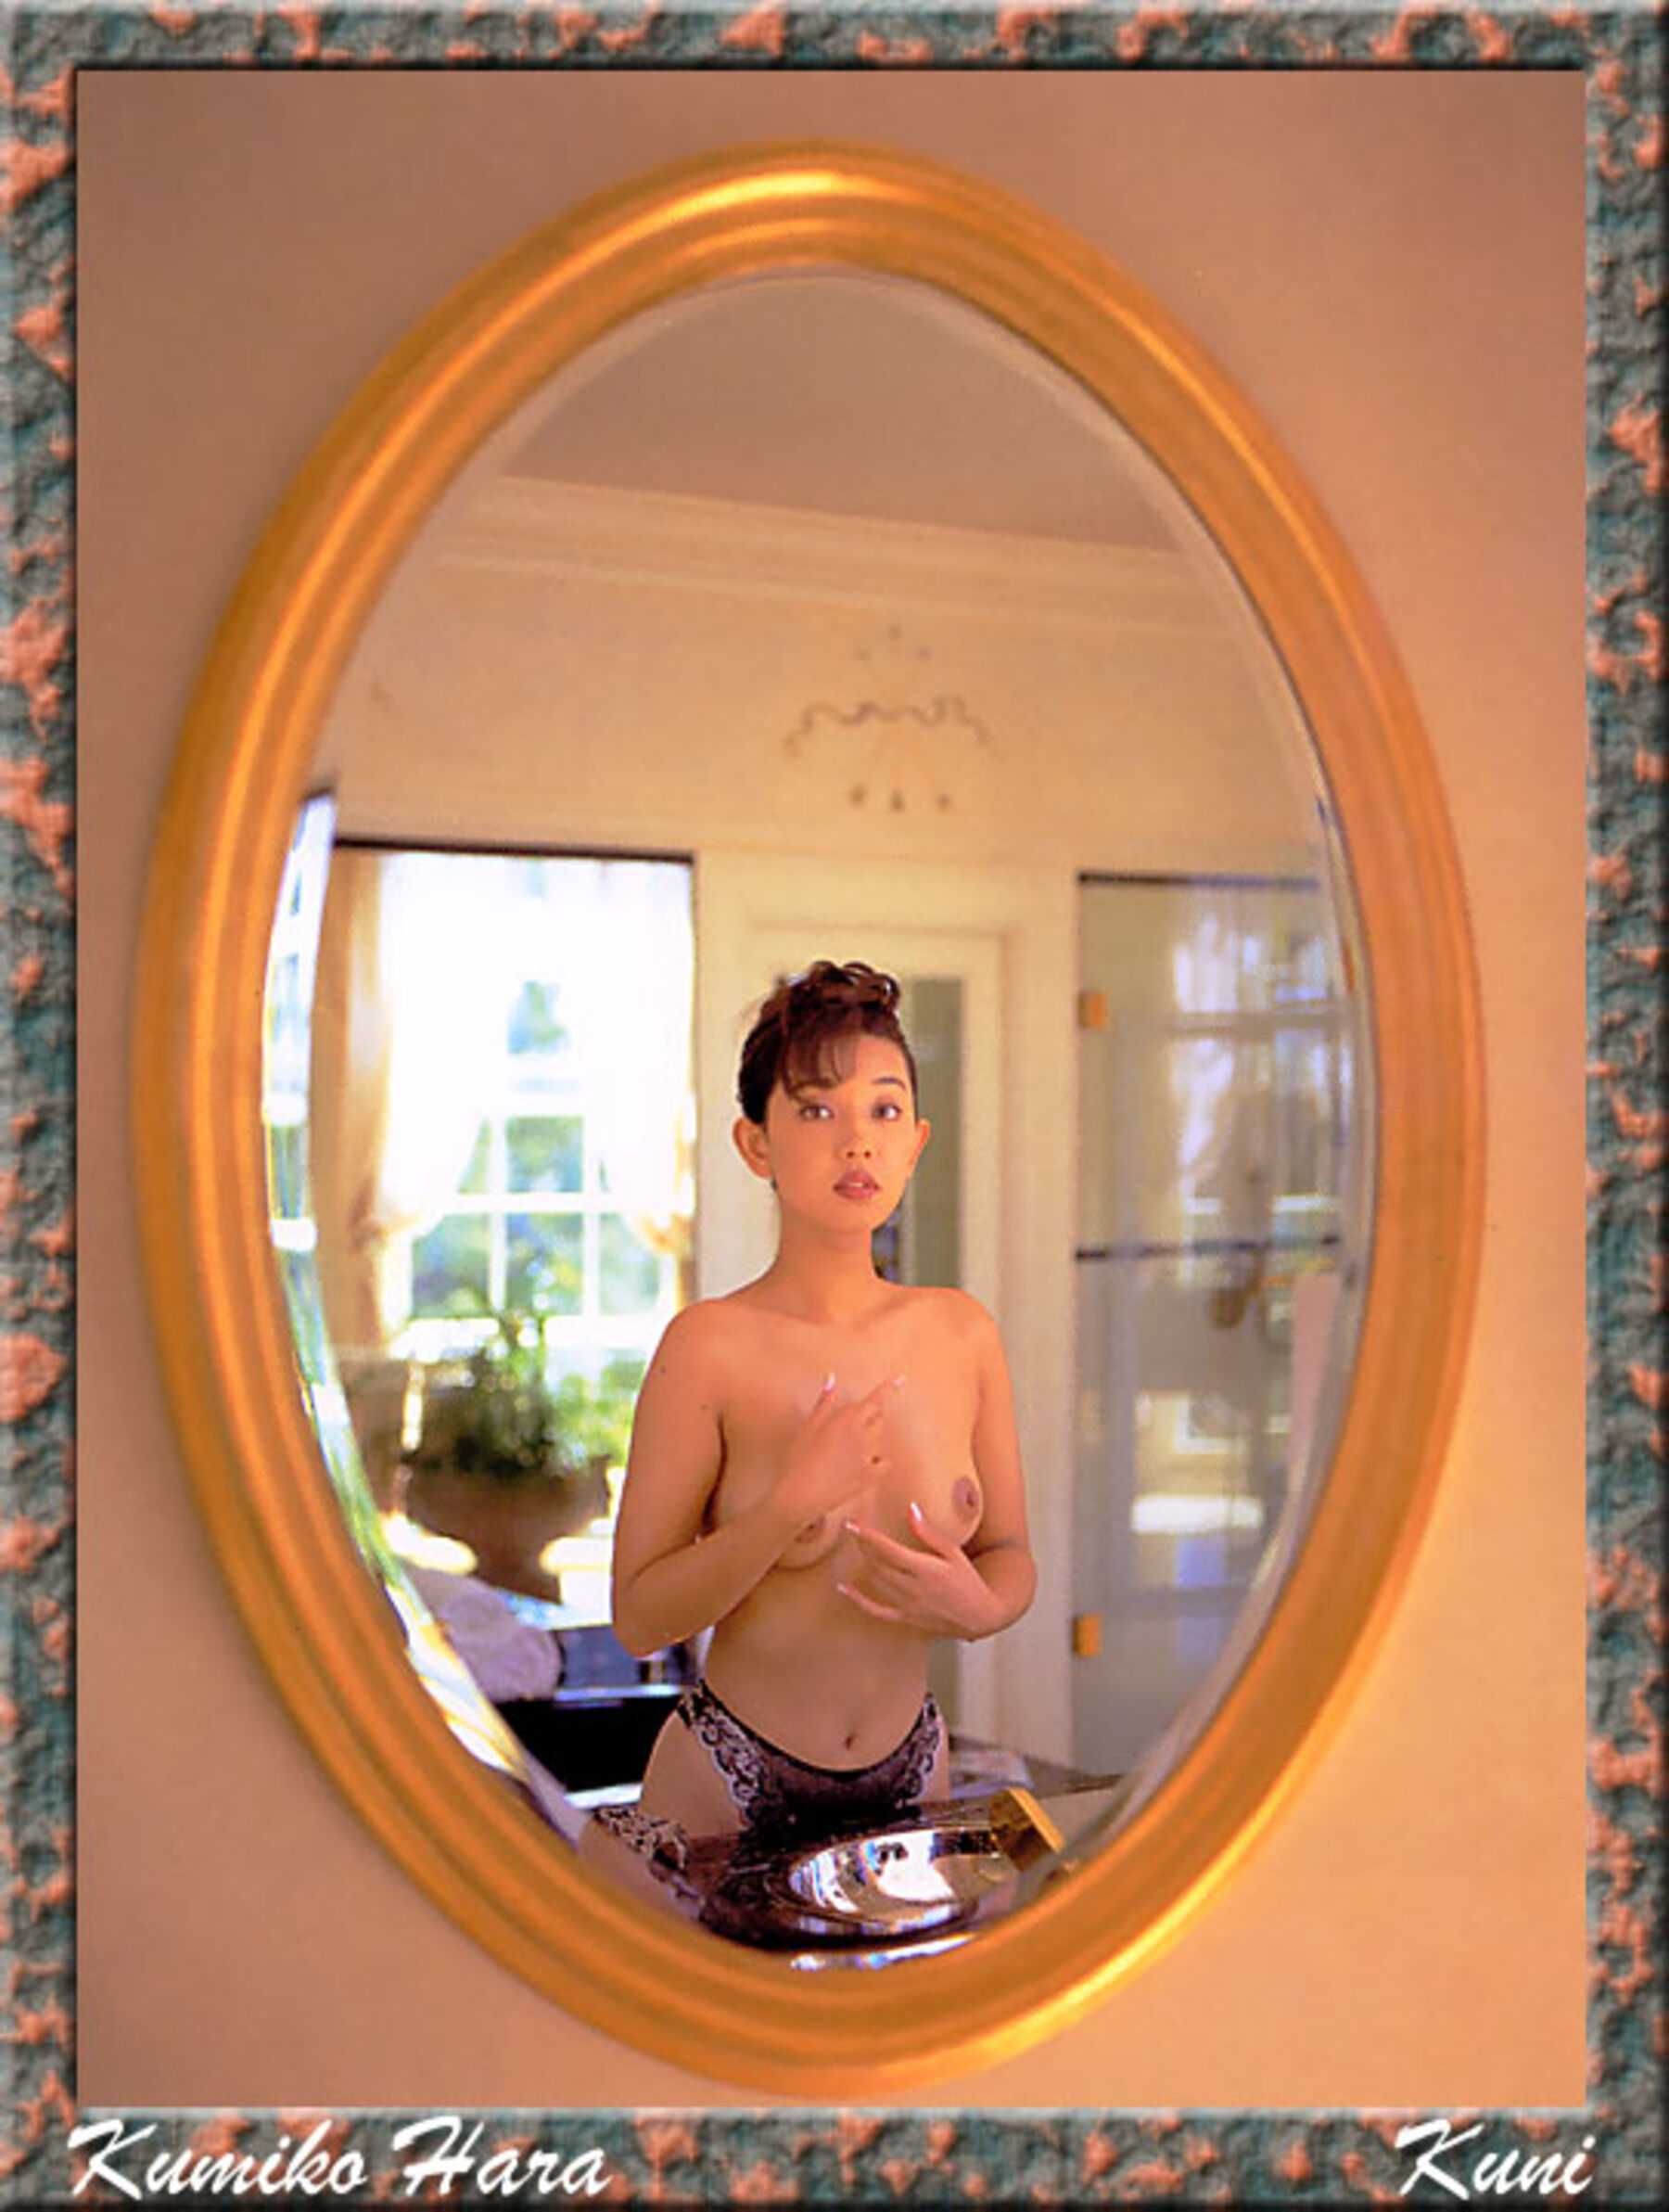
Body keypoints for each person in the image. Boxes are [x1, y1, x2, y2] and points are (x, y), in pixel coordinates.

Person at [583, 960, 1034, 1886]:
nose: (856, 1142)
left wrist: (982, 1608)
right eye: (818, 1110)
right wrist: (784, 1510)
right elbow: (637, 1618)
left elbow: (1010, 1553)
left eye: (884, 1109)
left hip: (914, 1764)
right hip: (728, 1774)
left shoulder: (963, 1333)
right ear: (756, 1145)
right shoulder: (707, 1346)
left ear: (916, 1142)